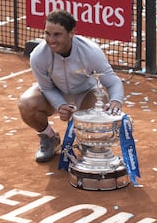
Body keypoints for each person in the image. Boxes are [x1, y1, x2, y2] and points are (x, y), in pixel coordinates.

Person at [18, 10, 124, 163]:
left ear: (71, 33)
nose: (51, 40)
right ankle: (49, 138)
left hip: (86, 93)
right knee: (26, 104)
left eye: (57, 35)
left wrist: (116, 100)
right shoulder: (38, 55)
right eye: (47, 33)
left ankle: (88, 143)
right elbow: (46, 88)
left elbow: (113, 82)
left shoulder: (91, 52)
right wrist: (60, 105)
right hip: (55, 92)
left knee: (101, 105)